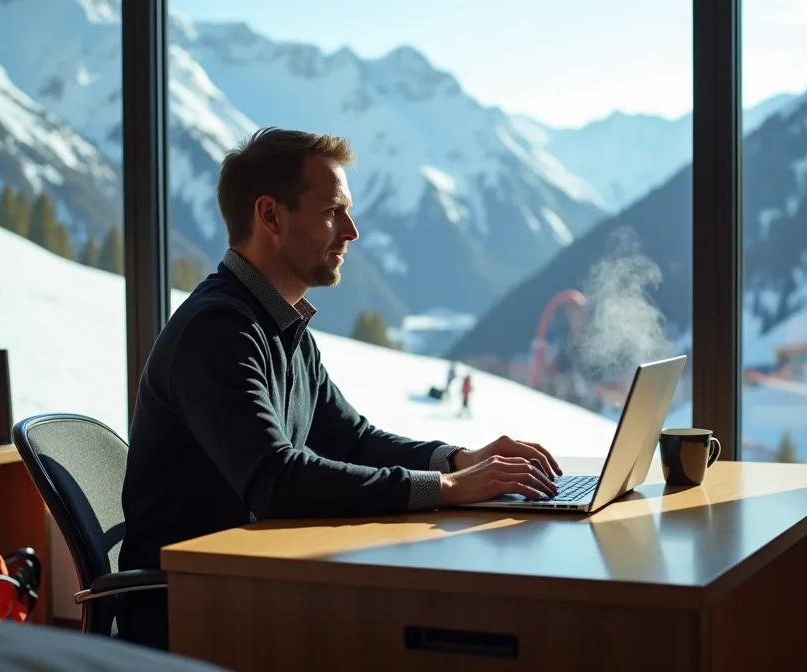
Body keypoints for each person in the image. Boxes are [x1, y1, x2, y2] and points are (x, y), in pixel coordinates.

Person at [116, 128, 563, 651]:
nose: (351, 231)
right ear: (270, 216)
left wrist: (460, 460)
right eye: (333, 211)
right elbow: (275, 480)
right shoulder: (217, 331)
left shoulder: (278, 324)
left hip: (250, 584)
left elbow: (351, 440)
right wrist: (446, 490)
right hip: (195, 609)